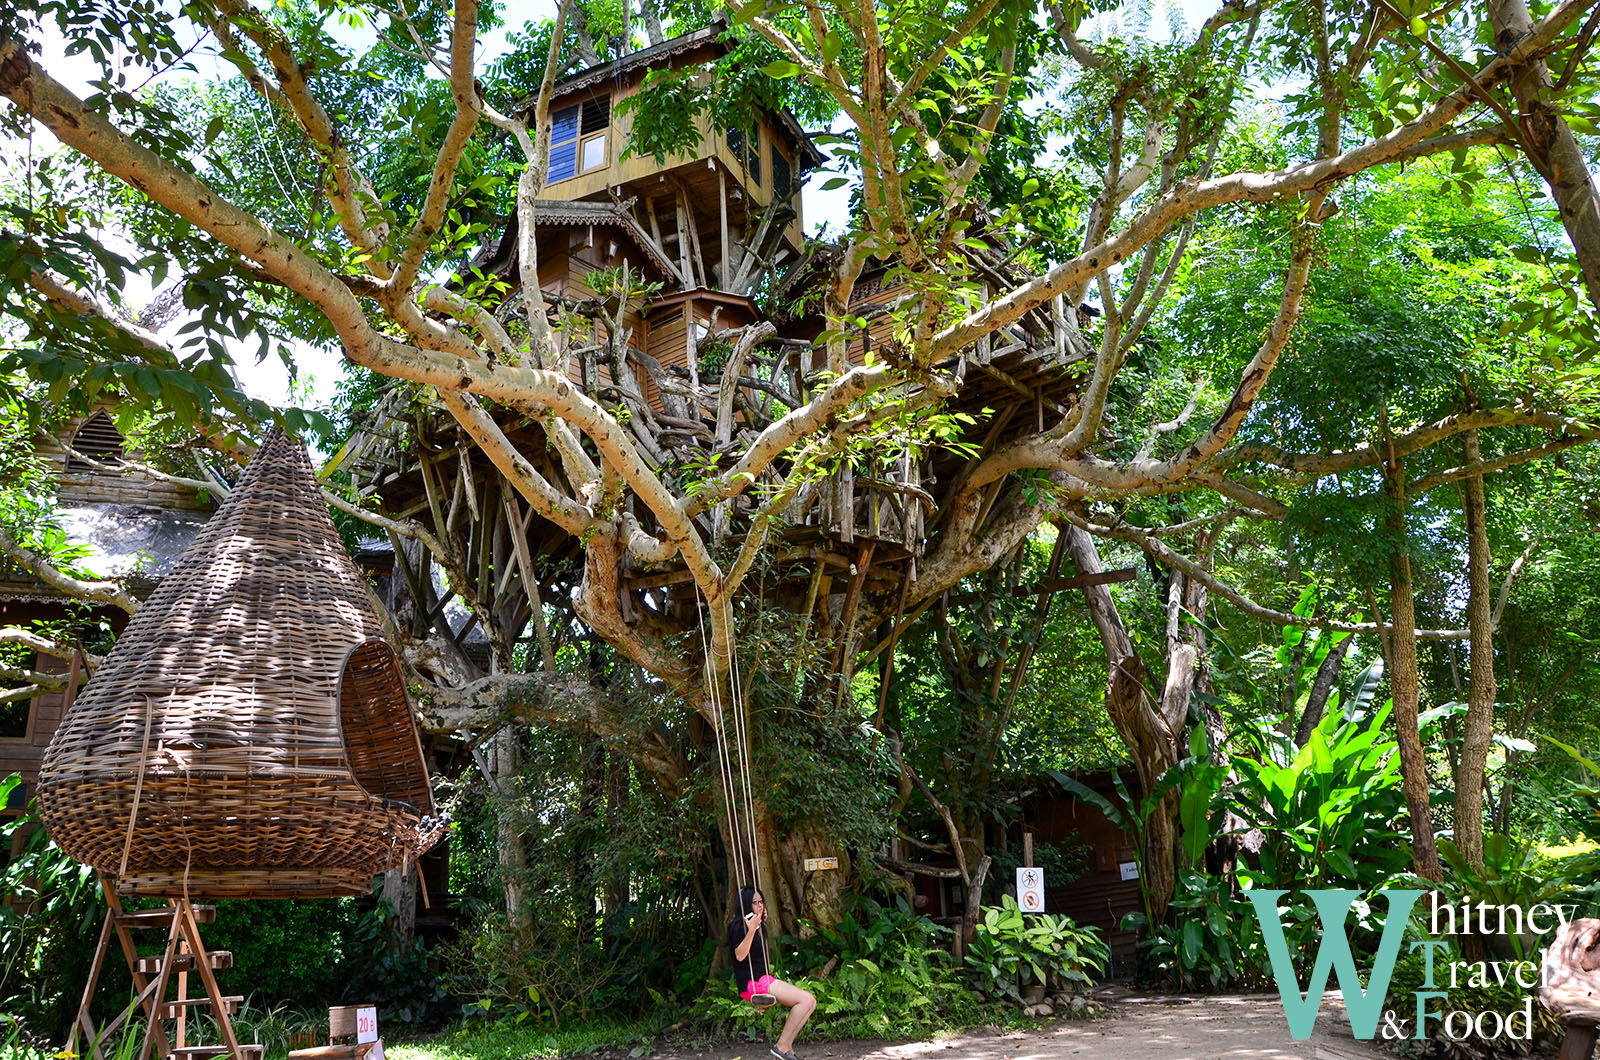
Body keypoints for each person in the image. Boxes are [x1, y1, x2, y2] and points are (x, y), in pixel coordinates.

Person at [727, 886, 816, 1060]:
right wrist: (752, 929)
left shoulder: (756, 923)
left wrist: (759, 926)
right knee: (805, 1000)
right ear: (745, 904)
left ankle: (786, 1047)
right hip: (754, 983)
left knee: (811, 1002)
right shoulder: (738, 926)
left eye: (761, 902)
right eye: (754, 902)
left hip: (764, 979)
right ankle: (782, 1046)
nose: (759, 905)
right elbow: (739, 955)